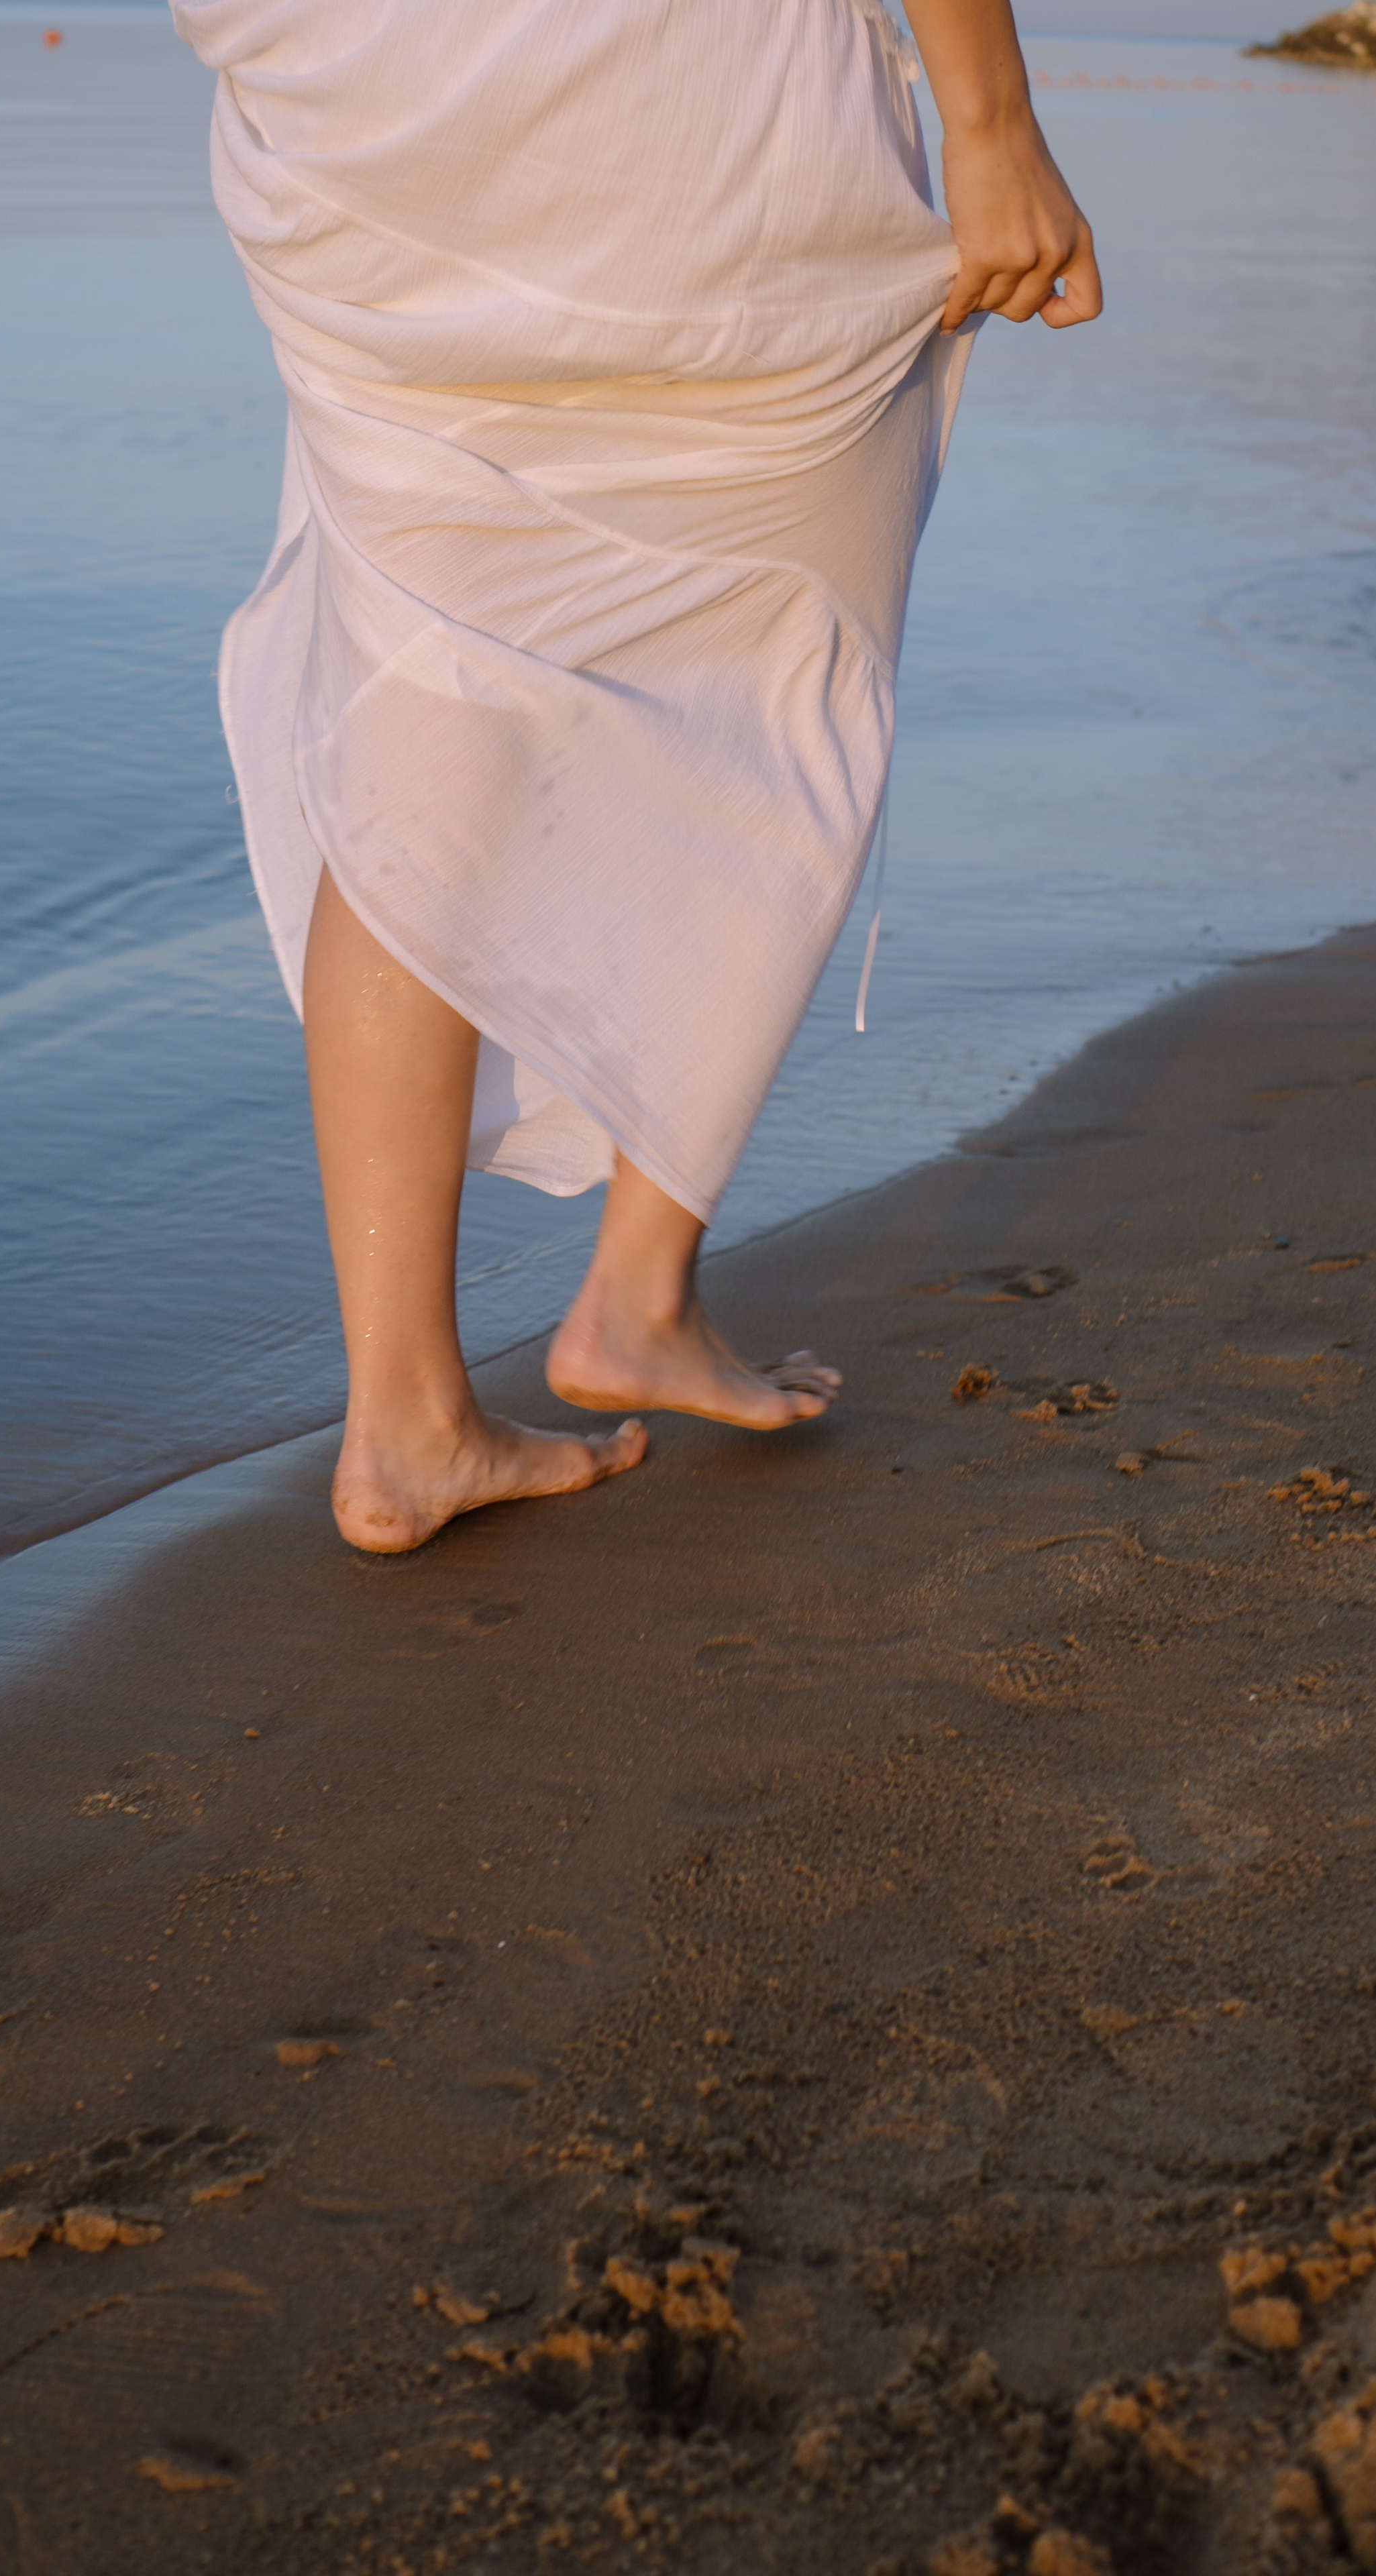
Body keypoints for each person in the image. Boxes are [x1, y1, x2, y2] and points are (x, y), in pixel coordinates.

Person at [172, 0, 1100, 1552]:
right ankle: (635, 1289)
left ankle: (404, 1416)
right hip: (658, 88)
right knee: (793, 606)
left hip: (351, 105)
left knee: (429, 679)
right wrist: (990, 122)